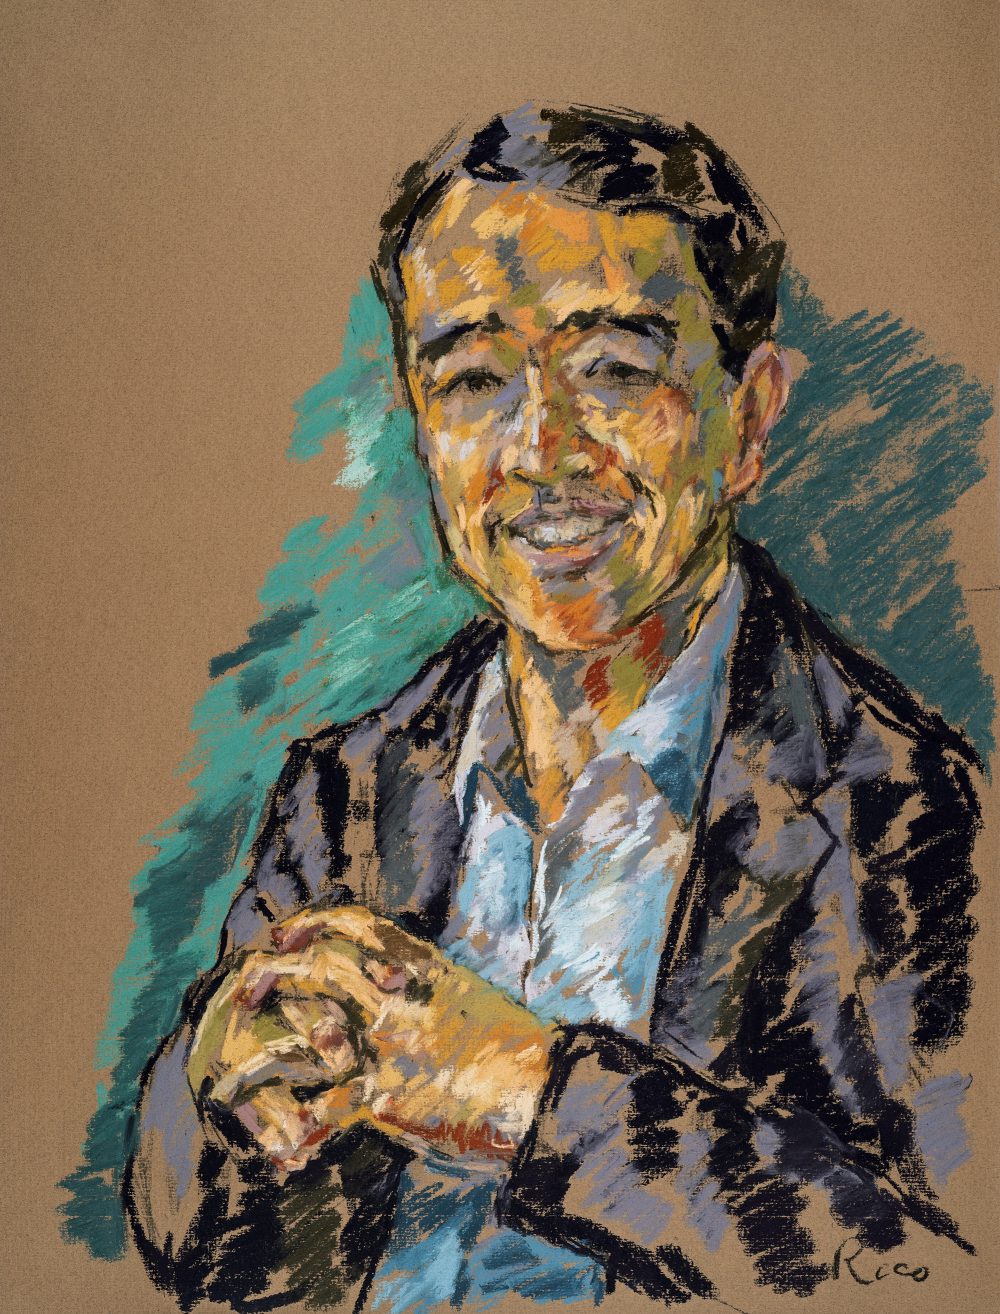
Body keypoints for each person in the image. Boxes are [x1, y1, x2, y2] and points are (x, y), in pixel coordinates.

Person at [124, 104, 982, 1313]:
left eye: (615, 369)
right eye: (473, 379)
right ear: (422, 428)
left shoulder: (909, 814)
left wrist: (524, 1093)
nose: (541, 451)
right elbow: (199, 1256)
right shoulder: (349, 790)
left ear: (748, 419)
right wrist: (223, 1079)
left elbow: (927, 1276)